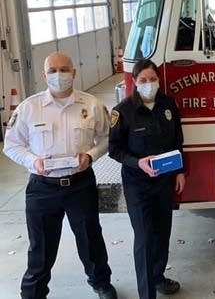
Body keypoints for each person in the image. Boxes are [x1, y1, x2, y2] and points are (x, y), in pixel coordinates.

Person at [3, 51, 117, 299]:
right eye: (52, 71)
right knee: (40, 247)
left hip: (80, 184)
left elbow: (108, 139)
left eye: (64, 69)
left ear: (73, 73)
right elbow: (11, 145)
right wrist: (33, 161)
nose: (59, 75)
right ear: (44, 75)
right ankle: (33, 292)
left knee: (90, 238)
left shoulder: (92, 105)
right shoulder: (29, 108)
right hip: (42, 187)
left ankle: (101, 282)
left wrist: (91, 155)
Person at [108, 60, 186, 299]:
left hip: (163, 182)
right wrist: (137, 163)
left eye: (153, 79)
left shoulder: (168, 104)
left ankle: (158, 276)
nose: (149, 84)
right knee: (143, 238)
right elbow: (114, 150)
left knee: (162, 233)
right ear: (134, 82)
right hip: (137, 185)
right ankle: (146, 293)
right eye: (143, 80)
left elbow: (177, 140)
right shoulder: (122, 112)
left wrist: (180, 171)